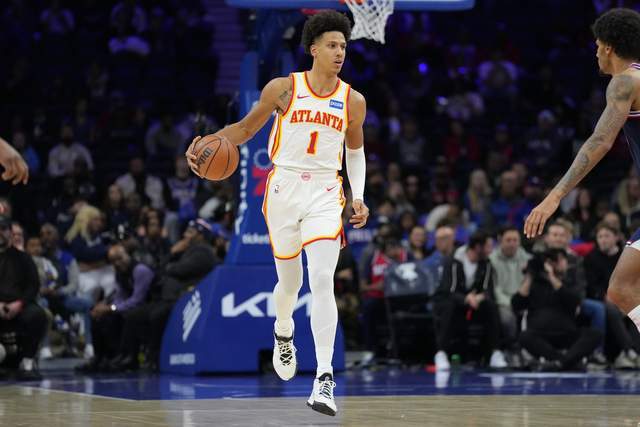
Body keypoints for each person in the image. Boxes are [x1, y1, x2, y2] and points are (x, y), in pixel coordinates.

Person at [185, 10, 368, 416]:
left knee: (322, 280)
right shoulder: (284, 88)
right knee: (290, 283)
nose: (340, 52)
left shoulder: (353, 100)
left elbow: (354, 151)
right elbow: (244, 130)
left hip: (325, 191)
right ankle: (283, 332)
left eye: (343, 46)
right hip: (283, 189)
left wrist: (358, 196)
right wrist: (206, 142)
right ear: (313, 49)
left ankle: (324, 379)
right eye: (332, 45)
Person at [524, 8, 640, 333]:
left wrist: (554, 196)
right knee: (622, 288)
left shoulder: (625, 81)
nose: (596, 52)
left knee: (622, 288)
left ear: (608, 47)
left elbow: (600, 141)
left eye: (597, 45)